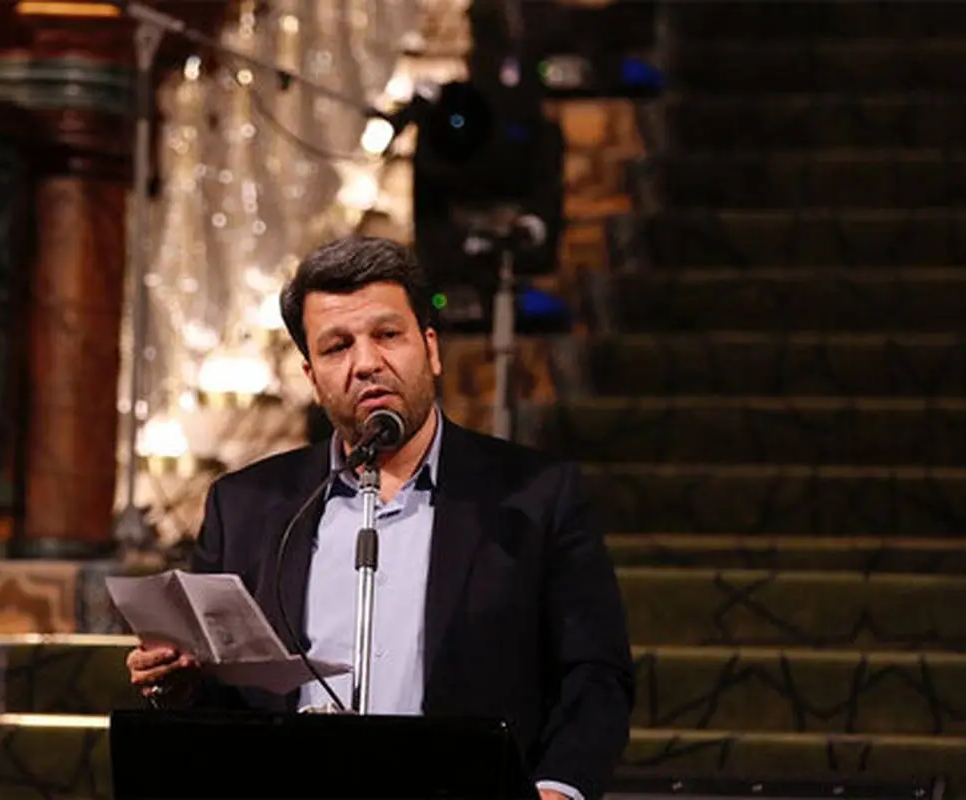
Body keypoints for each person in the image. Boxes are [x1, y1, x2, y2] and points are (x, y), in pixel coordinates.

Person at [126, 236, 633, 799]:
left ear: (431, 349)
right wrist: (176, 686)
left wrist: (557, 790)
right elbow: (218, 696)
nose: (367, 363)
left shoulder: (536, 495)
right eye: (337, 347)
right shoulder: (243, 506)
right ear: (312, 377)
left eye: (388, 335)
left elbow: (596, 674)